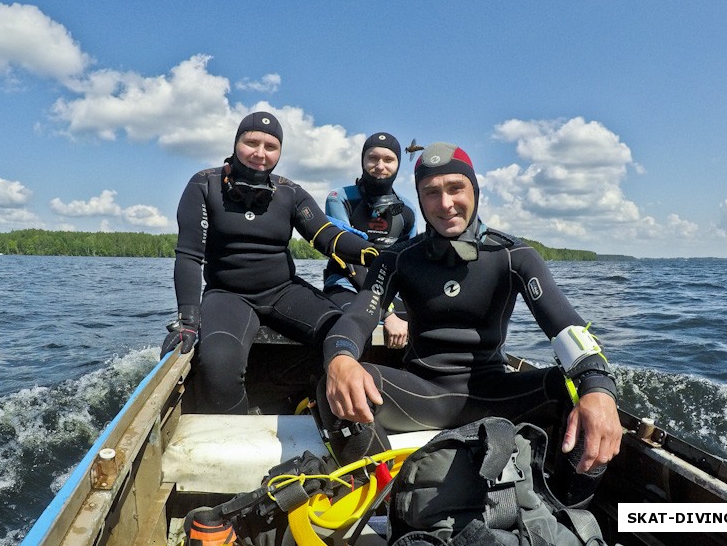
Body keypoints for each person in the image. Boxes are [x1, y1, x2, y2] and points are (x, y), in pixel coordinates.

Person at [317, 142, 621, 506]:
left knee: (577, 395)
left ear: (474, 191)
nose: (445, 204)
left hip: (492, 394)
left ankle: (566, 515)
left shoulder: (513, 256)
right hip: (421, 393)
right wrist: (340, 359)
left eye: (455, 188)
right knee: (335, 387)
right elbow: (357, 317)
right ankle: (386, 507)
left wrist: (600, 388)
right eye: (431, 192)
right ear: (420, 199)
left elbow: (566, 327)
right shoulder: (398, 259)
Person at [161, 111, 379, 414]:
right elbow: (189, 255)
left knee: (344, 333)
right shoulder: (204, 184)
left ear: (279, 152)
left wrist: (373, 253)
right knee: (217, 365)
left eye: (271, 146)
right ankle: (237, 436)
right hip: (227, 295)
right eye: (251, 143)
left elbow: (326, 236)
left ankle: (320, 408)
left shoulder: (290, 192)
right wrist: (187, 319)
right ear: (236, 143)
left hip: (282, 290)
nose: (260, 154)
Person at [323, 132, 417, 349]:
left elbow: (409, 264)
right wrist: (388, 312)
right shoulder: (340, 198)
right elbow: (347, 257)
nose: (380, 165)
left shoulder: (408, 209)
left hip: (390, 290)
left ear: (398, 164)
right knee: (353, 321)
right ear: (363, 161)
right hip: (346, 284)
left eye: (388, 159)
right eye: (373, 158)